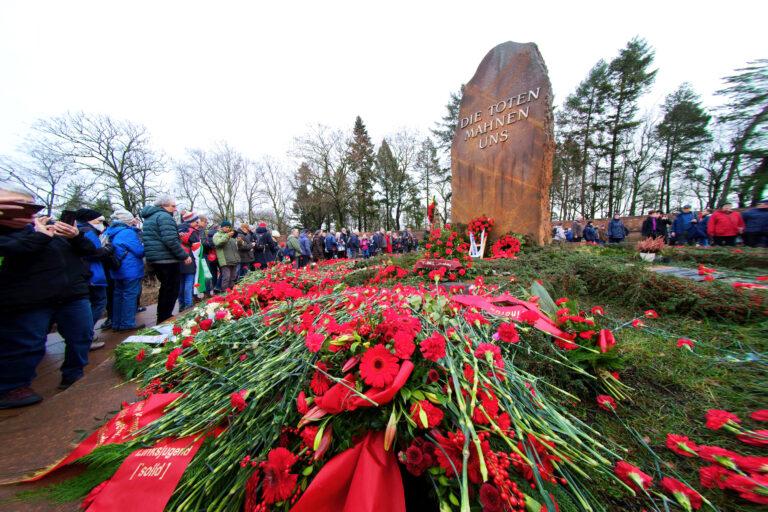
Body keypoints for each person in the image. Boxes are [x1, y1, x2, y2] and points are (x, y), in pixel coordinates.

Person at [0, 188, 98, 407]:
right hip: (29, 299)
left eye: (32, 207)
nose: (30, 213)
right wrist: (40, 237)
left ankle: (74, 373)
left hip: (72, 294)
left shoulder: (45, 228)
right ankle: (12, 387)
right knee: (27, 343)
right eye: (21, 206)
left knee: (82, 335)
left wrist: (76, 237)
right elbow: (13, 251)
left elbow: (90, 251)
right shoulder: (25, 234)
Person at [140, 196, 190, 324]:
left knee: (166, 288)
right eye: (172, 206)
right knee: (171, 288)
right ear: (163, 205)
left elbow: (159, 236)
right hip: (166, 258)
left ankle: (163, 315)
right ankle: (164, 317)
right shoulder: (164, 216)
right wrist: (184, 255)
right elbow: (170, 240)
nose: (175, 209)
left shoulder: (150, 217)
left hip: (156, 257)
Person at [105, 209, 145, 332]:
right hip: (130, 269)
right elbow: (139, 251)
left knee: (118, 296)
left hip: (117, 270)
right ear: (127, 220)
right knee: (130, 295)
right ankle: (127, 323)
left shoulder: (112, 232)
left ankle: (116, 323)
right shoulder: (127, 233)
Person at [74, 208, 109, 350]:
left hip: (86, 273)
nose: (101, 223)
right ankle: (86, 336)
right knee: (98, 302)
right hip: (92, 274)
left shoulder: (79, 230)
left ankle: (83, 335)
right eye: (99, 220)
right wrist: (107, 250)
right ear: (89, 220)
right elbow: (93, 251)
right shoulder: (87, 232)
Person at [177, 211, 201, 312]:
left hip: (178, 258)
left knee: (181, 283)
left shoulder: (177, 229)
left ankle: (181, 305)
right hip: (189, 258)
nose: (198, 224)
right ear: (191, 222)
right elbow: (197, 246)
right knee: (189, 282)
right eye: (196, 222)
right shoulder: (192, 232)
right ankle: (188, 305)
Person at [213, 221, 240, 290]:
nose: (228, 228)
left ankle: (231, 293)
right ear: (221, 227)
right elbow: (218, 243)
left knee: (233, 277)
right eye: (226, 227)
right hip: (225, 260)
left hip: (233, 259)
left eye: (229, 227)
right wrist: (227, 236)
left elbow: (236, 247)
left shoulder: (231, 236)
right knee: (226, 278)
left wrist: (240, 242)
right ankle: (224, 293)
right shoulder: (217, 235)